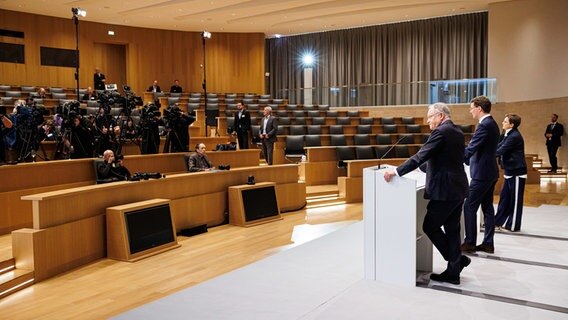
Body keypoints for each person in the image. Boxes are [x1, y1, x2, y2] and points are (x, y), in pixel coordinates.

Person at [383, 103, 470, 285]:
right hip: (457, 188)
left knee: (430, 226)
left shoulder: (440, 132)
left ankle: (457, 261)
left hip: (444, 191)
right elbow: (440, 159)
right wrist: (422, 170)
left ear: (440, 116)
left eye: (430, 116)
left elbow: (421, 155)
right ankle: (454, 271)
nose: (428, 120)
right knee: (452, 229)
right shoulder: (457, 131)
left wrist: (397, 171)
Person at [462, 95, 500, 254]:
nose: (470, 111)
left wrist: (456, 157)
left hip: (482, 174)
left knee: (469, 206)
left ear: (479, 108)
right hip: (490, 172)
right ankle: (488, 243)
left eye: (472, 108)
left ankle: (470, 243)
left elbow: (472, 148)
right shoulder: (492, 124)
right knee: (487, 208)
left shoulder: (484, 125)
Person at [495, 114, 527, 232]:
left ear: (512, 125)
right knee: (504, 198)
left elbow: (500, 150)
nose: (502, 123)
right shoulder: (506, 135)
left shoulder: (514, 136)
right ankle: (497, 222)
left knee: (515, 200)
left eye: (505, 121)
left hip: (517, 171)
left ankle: (513, 226)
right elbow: (498, 146)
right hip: (509, 170)